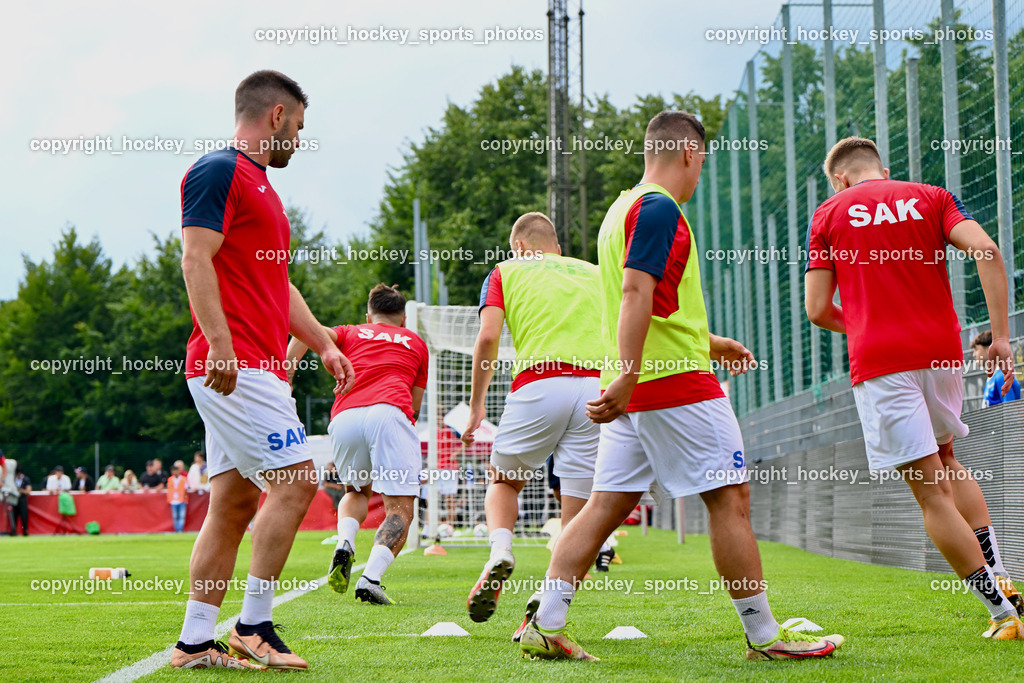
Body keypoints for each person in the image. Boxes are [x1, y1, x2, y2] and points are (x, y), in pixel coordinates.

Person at [519, 111, 844, 662]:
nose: (699, 173)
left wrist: (708, 342)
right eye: (702, 161)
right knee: (730, 498)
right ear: (690, 154)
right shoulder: (659, 207)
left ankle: (545, 624)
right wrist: (630, 372)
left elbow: (653, 303)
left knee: (603, 506)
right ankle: (765, 638)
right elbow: (634, 292)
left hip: (637, 382)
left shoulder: (619, 210)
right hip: (670, 382)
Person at [806, 136, 1023, 639]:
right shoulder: (931, 196)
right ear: (883, 169)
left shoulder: (828, 214)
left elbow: (817, 310)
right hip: (940, 351)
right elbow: (987, 250)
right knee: (947, 461)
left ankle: (1002, 613)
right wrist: (1001, 338)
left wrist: (865, 325)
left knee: (931, 493)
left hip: (881, 361)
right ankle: (1001, 575)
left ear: (839, 179)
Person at [173, 70, 353, 671]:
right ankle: (253, 627)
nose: (297, 140)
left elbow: (279, 285)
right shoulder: (218, 170)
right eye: (297, 127)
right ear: (276, 115)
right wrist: (220, 344)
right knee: (297, 481)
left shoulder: (263, 189)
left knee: (231, 505)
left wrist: (323, 343)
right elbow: (195, 258)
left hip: (254, 367)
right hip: (237, 367)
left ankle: (195, 641)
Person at [463, 211, 612, 627]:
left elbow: (488, 337)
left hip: (539, 383)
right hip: (596, 389)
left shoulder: (504, 271)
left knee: (504, 481)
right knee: (578, 512)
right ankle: (548, 600)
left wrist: (476, 405)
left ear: (519, 247)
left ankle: (500, 551)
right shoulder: (595, 272)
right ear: (557, 248)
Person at [287, 284, 426, 606]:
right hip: (390, 412)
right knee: (400, 508)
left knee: (356, 491)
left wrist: (287, 375)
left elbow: (305, 332)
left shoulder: (349, 332)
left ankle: (344, 543)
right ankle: (370, 578)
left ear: (368, 316)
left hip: (345, 416)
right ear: (403, 319)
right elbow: (415, 405)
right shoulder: (416, 342)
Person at [970, 330, 1021, 406]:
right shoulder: (992, 377)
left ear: (989, 350)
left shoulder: (1001, 377)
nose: (974, 355)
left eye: (976, 350)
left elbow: (1009, 410)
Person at [167, 463, 189, 532]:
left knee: (181, 515)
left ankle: (180, 529)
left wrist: (185, 498)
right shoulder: (170, 479)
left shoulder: (183, 479)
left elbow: (186, 489)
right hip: (173, 500)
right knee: (175, 516)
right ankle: (176, 529)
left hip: (181, 499)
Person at [12, 467, 30, 535]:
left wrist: (21, 490)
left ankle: (25, 531)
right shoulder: (13, 479)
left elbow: (28, 491)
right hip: (14, 499)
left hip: (22, 499)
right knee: (14, 516)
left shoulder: (26, 479)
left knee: (24, 515)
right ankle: (13, 531)